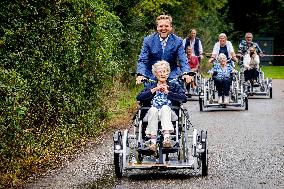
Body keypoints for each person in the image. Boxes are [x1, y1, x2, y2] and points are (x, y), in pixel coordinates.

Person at [136, 60, 187, 152]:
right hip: (151, 114)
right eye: (160, 72)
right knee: (154, 109)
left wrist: (168, 92)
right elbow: (139, 97)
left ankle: (167, 138)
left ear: (168, 73)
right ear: (155, 74)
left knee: (165, 108)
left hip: (170, 113)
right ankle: (153, 142)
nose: (163, 74)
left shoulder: (174, 86)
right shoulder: (150, 86)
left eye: (165, 71)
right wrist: (155, 89)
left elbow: (184, 98)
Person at [136, 14, 191, 85]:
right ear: (157, 27)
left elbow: (183, 59)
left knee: (178, 91)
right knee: (147, 93)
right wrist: (140, 74)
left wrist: (185, 73)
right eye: (161, 26)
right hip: (152, 74)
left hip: (171, 74)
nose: (163, 28)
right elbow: (143, 60)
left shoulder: (178, 41)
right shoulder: (148, 40)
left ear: (171, 27)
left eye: (166, 26)